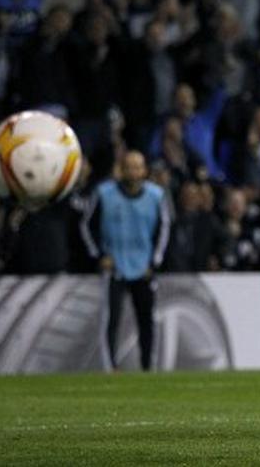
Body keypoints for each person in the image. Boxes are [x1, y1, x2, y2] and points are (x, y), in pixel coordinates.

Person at [79, 151, 171, 371]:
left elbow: (164, 229)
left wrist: (154, 262)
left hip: (143, 267)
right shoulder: (104, 193)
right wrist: (99, 256)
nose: (133, 172)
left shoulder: (156, 196)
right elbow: (86, 226)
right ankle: (111, 368)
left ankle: (148, 367)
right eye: (129, 167)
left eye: (138, 167)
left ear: (145, 170)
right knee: (111, 319)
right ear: (121, 170)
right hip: (115, 267)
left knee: (146, 320)